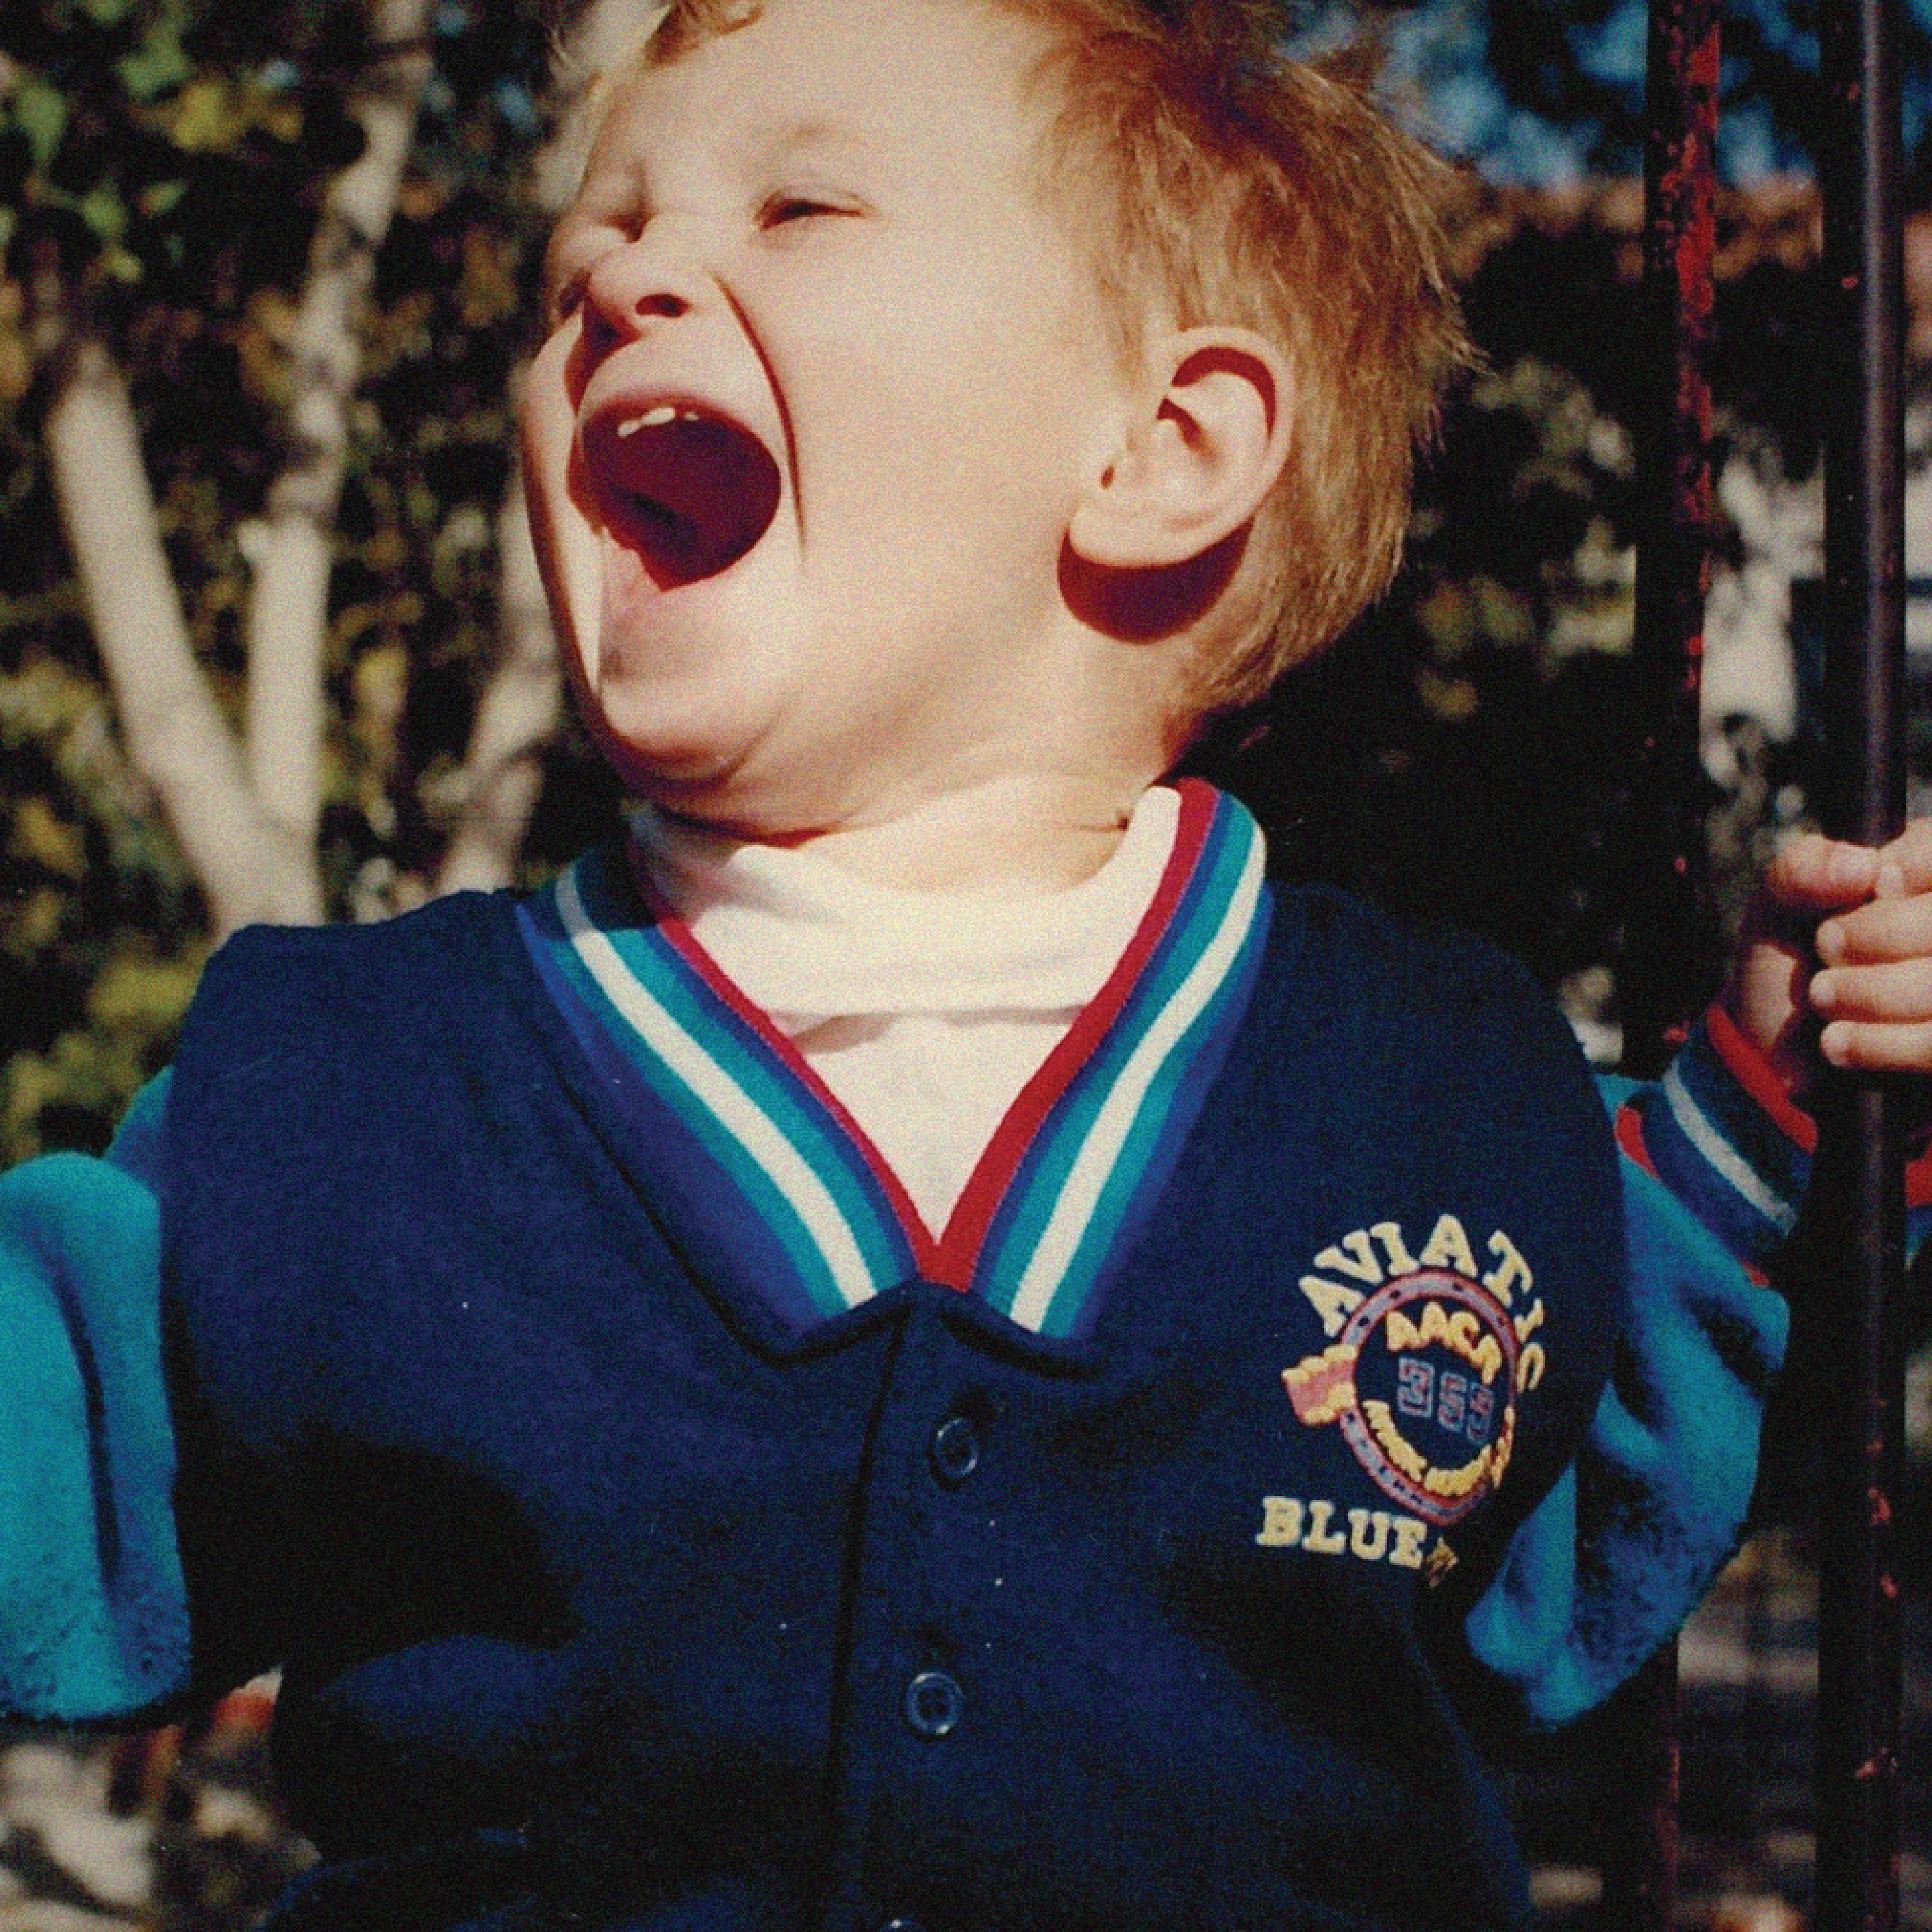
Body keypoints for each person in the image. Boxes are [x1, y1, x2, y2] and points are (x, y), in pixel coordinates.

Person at [4, 0, 1931, 1926]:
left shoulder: (1432, 1095)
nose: (621, 283)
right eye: (586, 252)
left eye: (798, 210)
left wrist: (1791, 1091)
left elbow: (1603, 1451)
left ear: (1164, 451)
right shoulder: (344, 1095)